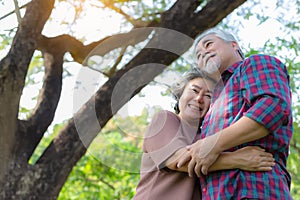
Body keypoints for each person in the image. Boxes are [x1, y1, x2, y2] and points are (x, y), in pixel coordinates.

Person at [177, 28, 293, 199]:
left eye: (209, 44)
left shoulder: (254, 64)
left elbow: (272, 107)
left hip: (256, 190)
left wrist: (214, 144)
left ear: (234, 45)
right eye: (199, 56)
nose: (204, 53)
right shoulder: (212, 104)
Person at [133, 68, 275, 200]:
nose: (199, 98)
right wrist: (237, 159)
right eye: (194, 90)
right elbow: (177, 160)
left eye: (208, 96)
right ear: (180, 93)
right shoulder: (165, 119)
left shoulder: (210, 137)